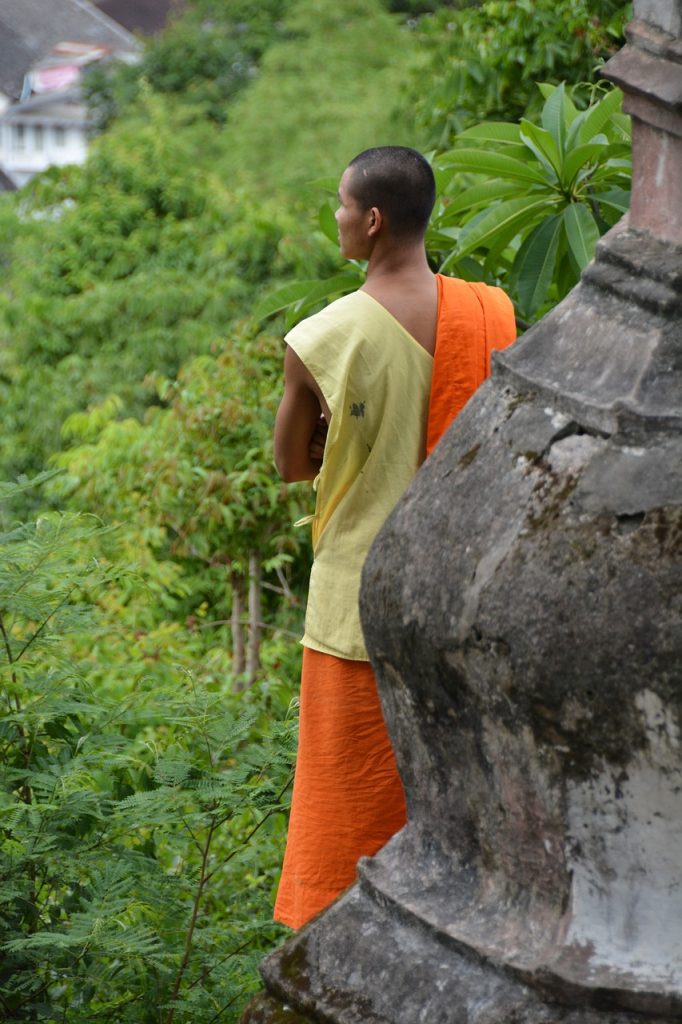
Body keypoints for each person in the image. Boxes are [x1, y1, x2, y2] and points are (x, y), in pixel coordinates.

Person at [272, 146, 515, 930]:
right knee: (450, 810)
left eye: (343, 205)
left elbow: (287, 462)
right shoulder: (489, 312)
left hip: (355, 605)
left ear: (371, 221)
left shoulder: (323, 337)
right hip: (460, 595)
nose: (337, 217)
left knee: (348, 818)